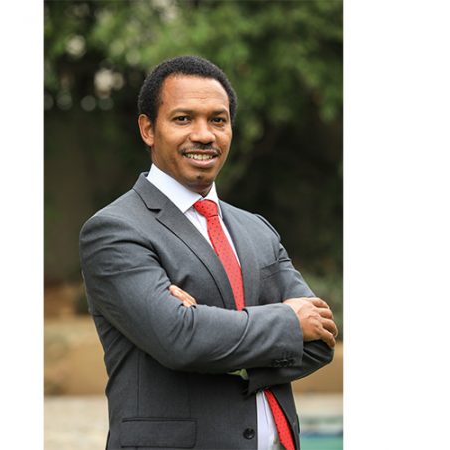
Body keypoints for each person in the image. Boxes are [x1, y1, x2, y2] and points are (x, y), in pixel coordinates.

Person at [79, 55, 337, 450]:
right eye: (183, 119)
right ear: (148, 129)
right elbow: (179, 338)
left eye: (218, 120)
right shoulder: (115, 230)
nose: (203, 135)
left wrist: (209, 333)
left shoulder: (257, 229)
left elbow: (320, 340)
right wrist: (287, 322)